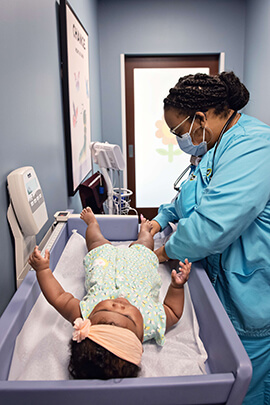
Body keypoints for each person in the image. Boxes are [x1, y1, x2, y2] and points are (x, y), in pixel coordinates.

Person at [150, 71, 270, 405]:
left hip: (252, 298)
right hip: (219, 285)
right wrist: (162, 219)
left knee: (246, 389)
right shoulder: (214, 146)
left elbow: (212, 225)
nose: (179, 139)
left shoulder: (254, 147)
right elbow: (189, 193)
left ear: (200, 118)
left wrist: (163, 252)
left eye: (178, 130)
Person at [28, 207, 191, 380]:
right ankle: (144, 230)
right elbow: (173, 311)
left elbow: (59, 297)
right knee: (145, 243)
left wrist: (43, 270)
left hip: (103, 261)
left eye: (105, 310)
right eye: (128, 317)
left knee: (95, 240)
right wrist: (177, 287)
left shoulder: (84, 314)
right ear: (140, 337)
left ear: (89, 323)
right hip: (139, 262)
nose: (119, 306)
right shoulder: (150, 322)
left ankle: (92, 223)